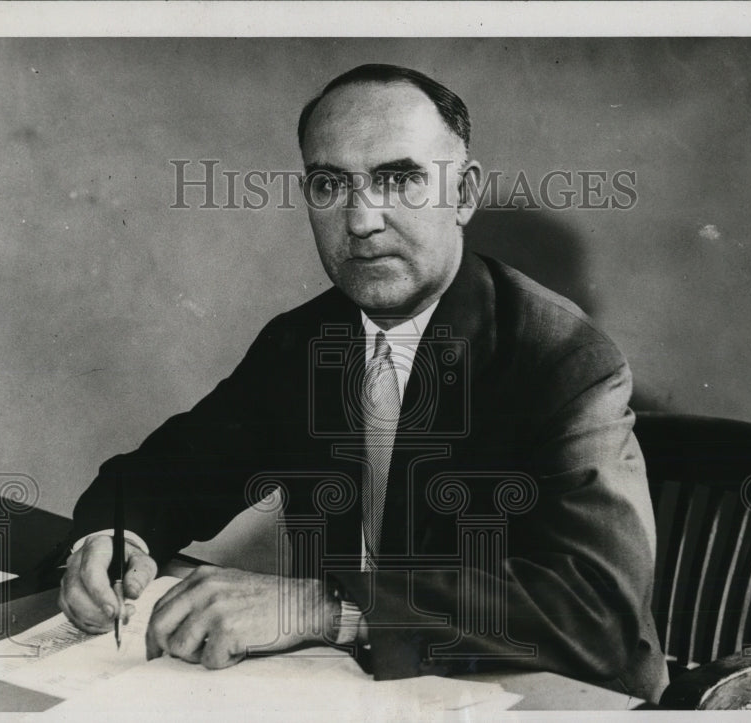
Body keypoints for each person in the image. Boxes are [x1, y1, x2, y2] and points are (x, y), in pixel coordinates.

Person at [59, 63, 670, 701]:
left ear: (463, 195)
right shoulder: (303, 340)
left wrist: (326, 608)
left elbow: (594, 610)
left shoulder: (564, 357)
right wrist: (113, 538)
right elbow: (170, 473)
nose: (360, 220)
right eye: (329, 184)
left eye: (399, 179)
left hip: (551, 693)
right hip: (363, 688)